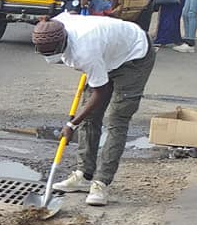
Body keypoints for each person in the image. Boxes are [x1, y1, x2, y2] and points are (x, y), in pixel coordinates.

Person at [31, 15, 155, 206]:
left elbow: (101, 91)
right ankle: (84, 175)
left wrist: (72, 124)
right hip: (106, 54)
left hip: (134, 56)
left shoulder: (85, 51)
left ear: (63, 41)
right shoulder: (55, 25)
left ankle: (101, 183)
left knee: (117, 119)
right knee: (89, 117)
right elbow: (50, 19)